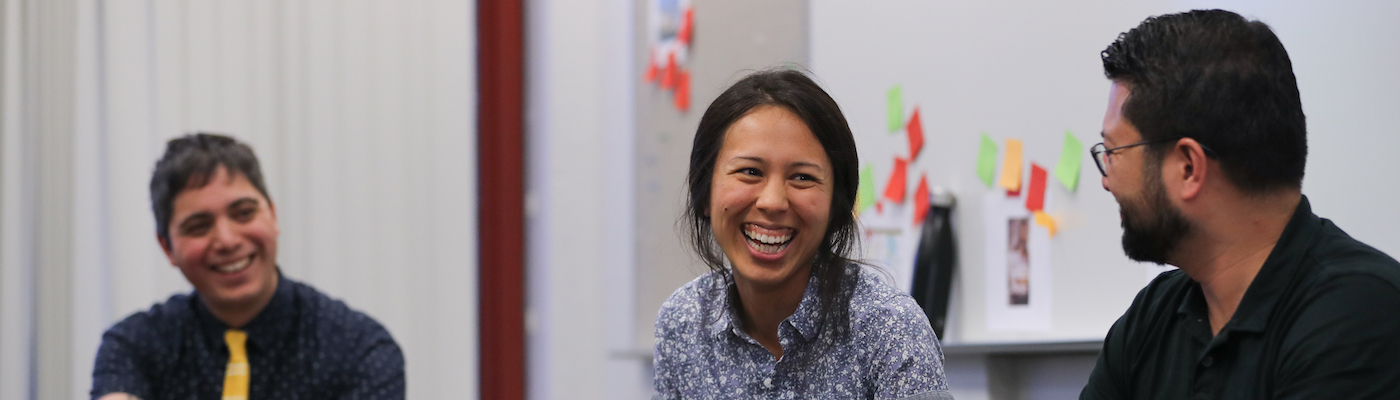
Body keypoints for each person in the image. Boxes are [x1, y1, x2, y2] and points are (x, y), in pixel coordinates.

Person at [1081, 10, 1400, 399]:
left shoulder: (1359, 313)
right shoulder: (1152, 318)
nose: (1106, 179)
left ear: (1188, 167)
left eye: (1114, 151)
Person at [651, 69, 952, 399]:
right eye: (750, 172)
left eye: (803, 178)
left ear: (836, 207)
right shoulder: (684, 322)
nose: (773, 202)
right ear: (704, 192)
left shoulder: (888, 329)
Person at [91, 133, 405, 400]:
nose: (227, 240)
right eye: (199, 226)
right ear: (167, 247)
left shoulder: (360, 350)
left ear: (273, 215)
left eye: (243, 213)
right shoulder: (133, 347)